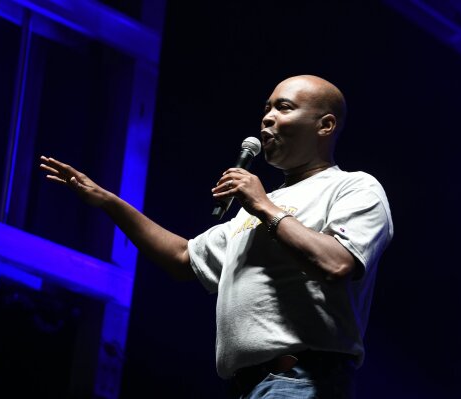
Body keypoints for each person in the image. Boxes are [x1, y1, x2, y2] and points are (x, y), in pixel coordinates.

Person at [40, 75, 393, 398]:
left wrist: (261, 204)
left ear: (325, 124)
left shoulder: (354, 187)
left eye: (283, 108)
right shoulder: (255, 209)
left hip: (301, 382)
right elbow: (183, 259)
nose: (267, 118)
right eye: (266, 109)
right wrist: (107, 201)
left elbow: (337, 261)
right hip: (246, 386)